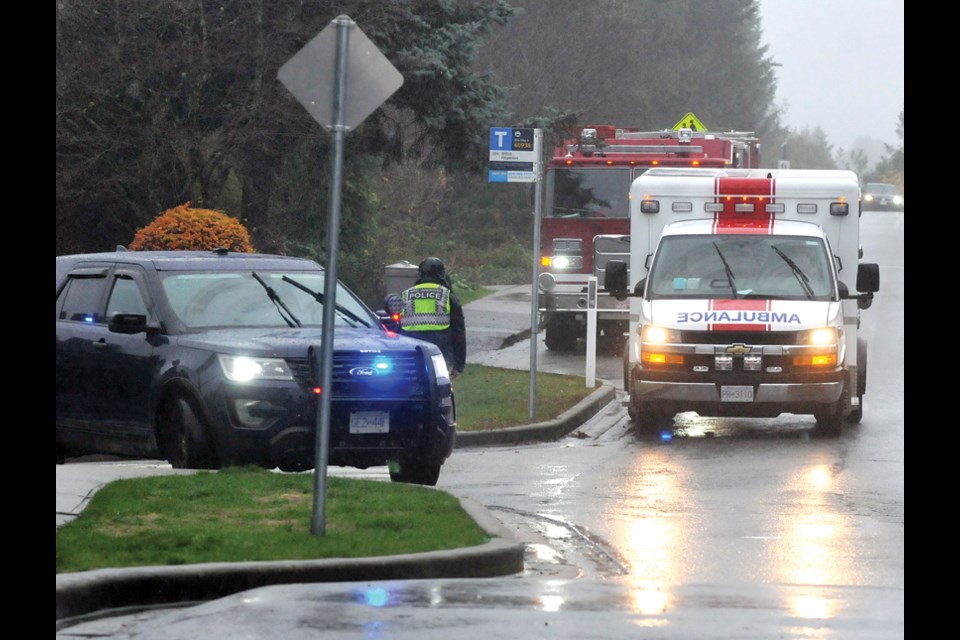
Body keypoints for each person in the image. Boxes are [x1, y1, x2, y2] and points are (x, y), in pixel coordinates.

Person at [398, 257, 466, 380]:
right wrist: (459, 364)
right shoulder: (447, 296)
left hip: (411, 354)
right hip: (440, 354)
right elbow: (459, 333)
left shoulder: (406, 295)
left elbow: (397, 329)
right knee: (441, 391)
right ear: (442, 274)